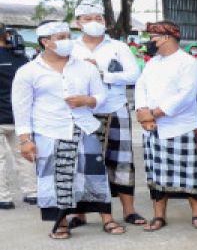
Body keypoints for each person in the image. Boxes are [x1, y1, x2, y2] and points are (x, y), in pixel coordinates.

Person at [12, 21, 121, 238]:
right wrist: (25, 140)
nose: (67, 41)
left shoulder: (86, 67)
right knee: (53, 177)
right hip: (49, 130)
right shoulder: (28, 71)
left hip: (84, 127)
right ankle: (60, 221)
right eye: (60, 37)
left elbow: (101, 97)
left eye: (68, 35)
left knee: (94, 173)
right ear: (45, 42)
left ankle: (106, 218)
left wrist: (87, 100)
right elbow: (21, 109)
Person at [72, 5, 144, 226]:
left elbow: (134, 74)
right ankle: (79, 214)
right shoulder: (71, 47)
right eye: (88, 18)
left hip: (115, 108)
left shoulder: (118, 47)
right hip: (81, 112)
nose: (94, 21)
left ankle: (129, 211)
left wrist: (102, 73)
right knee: (81, 162)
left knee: (122, 160)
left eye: (98, 18)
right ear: (78, 22)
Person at [135, 21, 197, 231]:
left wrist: (154, 113)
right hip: (153, 128)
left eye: (153, 37)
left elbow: (185, 95)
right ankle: (159, 216)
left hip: (180, 126)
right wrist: (143, 111)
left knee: (189, 173)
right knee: (156, 173)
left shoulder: (187, 62)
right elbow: (141, 86)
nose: (150, 41)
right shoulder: (153, 62)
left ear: (166, 37)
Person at [0, 22, 36, 209]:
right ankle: (32, 193)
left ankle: (3, 198)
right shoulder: (22, 58)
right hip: (19, 116)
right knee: (25, 156)